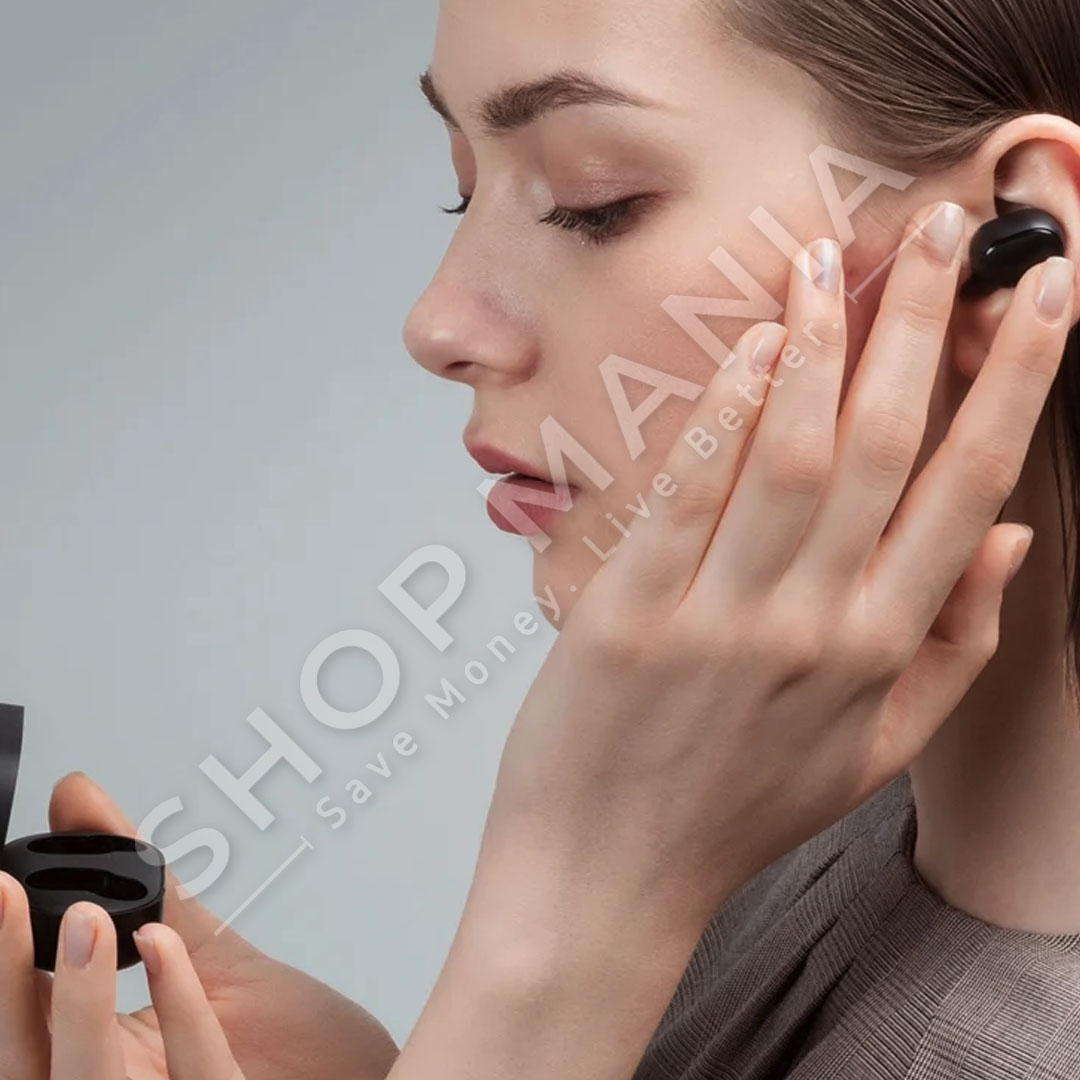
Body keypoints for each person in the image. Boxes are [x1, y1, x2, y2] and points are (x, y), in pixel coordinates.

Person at [3, 0, 1080, 1075]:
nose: (437, 324)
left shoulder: (666, 850)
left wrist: (578, 912)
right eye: (462, 188)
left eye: (590, 202)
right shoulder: (776, 836)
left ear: (1017, 239)